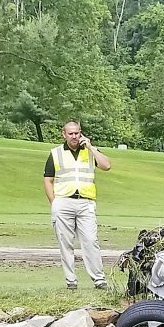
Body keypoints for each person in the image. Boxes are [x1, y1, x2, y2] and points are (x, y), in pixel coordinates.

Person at [43, 121, 111, 290]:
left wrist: (91, 147)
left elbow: (106, 166)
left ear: (81, 133)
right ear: (64, 134)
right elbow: (48, 179)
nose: (74, 136)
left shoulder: (90, 151)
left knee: (91, 240)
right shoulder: (56, 153)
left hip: (86, 202)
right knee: (65, 242)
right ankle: (71, 281)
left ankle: (99, 279)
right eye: (71, 133)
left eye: (77, 133)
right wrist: (54, 202)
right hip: (63, 201)